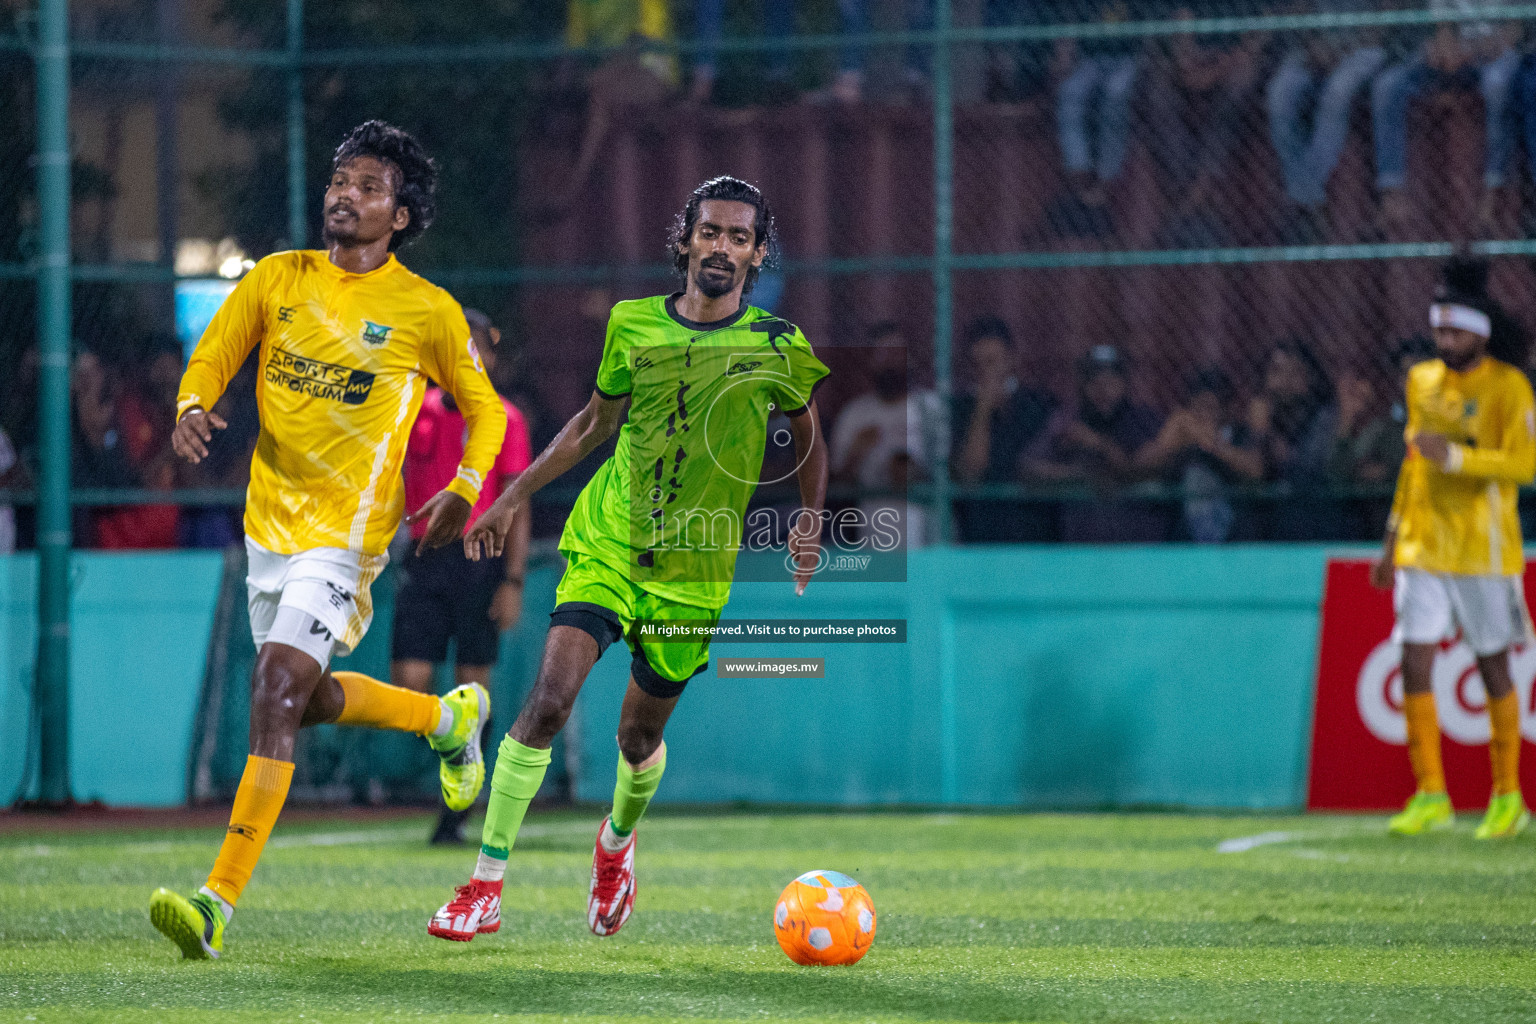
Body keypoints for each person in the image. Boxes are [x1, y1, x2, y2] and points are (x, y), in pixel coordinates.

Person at [427, 176, 828, 943]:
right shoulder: (631, 324)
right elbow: (590, 425)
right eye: (710, 231)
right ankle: (483, 885)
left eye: (739, 237)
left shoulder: (777, 344)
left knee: (636, 740)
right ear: (684, 239)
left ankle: (614, 846)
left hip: (694, 569)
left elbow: (807, 434)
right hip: (611, 538)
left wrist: (809, 521)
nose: (722, 246)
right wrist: (512, 497)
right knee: (547, 702)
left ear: (757, 254)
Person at [149, 121, 508, 960]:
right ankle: (448, 721)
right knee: (300, 702)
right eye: (341, 180)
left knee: (273, 689)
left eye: (369, 186)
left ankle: (215, 904)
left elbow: (485, 409)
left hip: (343, 540)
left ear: (403, 216)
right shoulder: (278, 278)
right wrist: (189, 409)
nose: (345, 194)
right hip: (267, 528)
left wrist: (463, 487)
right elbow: (213, 356)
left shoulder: (423, 310)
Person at [1370, 255, 1532, 840]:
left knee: (1492, 667)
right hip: (1423, 545)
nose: (1444, 340)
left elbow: (1526, 463)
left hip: (1482, 551)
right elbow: (1413, 466)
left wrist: (1459, 458)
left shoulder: (1508, 388)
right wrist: (1391, 539)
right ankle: (1431, 792)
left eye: (1455, 331)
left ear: (1480, 333)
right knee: (1414, 658)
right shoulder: (1421, 382)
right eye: (1439, 330)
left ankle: (1508, 797)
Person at [392, 309, 533, 845]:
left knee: (474, 688)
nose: (473, 358)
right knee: (411, 682)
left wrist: (512, 580)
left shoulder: (505, 418)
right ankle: (455, 752)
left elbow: (517, 502)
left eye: (482, 348)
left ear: (491, 359)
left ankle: (456, 813)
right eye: (461, 348)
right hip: (425, 558)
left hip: (480, 561)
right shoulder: (416, 410)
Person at [1372, 2, 1523, 231]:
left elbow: (1516, 27)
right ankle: (1393, 193)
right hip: (1458, 53)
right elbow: (1442, 27)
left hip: (1498, 53)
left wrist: (1492, 44)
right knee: (1387, 86)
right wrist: (1446, 49)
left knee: (1496, 86)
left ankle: (1490, 195)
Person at [1265, 2, 1386, 240]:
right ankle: (1310, 200)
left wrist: (1345, 49)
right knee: (1279, 95)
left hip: (1365, 47)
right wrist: (1314, 47)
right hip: (1315, 48)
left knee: (1336, 94)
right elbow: (1299, 13)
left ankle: (1303, 200)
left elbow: (1387, 18)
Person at [1031, 344, 1167, 542]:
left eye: (1111, 380)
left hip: (1137, 550)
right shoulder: (1069, 420)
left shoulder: (1142, 420)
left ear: (1124, 383)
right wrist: (1079, 475)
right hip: (1081, 549)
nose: (1103, 389)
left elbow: (1137, 468)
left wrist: (1099, 444)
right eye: (1094, 381)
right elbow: (1028, 469)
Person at [951, 317, 1056, 542]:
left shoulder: (1038, 405)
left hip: (1031, 533)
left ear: (1011, 360)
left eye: (992, 362)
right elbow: (971, 472)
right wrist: (982, 410)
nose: (985, 372)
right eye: (977, 365)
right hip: (978, 533)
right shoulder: (960, 409)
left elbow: (1037, 470)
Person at [1136, 368, 1264, 543]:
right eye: (1197, 408)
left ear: (1226, 410)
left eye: (1210, 408)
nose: (1203, 415)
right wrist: (1168, 441)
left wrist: (1213, 445)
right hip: (1185, 543)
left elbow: (1255, 471)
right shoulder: (1180, 441)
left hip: (1233, 542)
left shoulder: (1237, 435)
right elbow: (1139, 467)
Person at [829, 323, 919, 547]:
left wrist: (914, 473)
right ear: (869, 360)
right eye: (882, 354)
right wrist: (855, 456)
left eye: (896, 353)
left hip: (926, 537)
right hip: (874, 537)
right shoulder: (854, 414)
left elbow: (956, 473)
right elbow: (834, 486)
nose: (890, 361)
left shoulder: (930, 407)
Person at [1248, 339, 1345, 540]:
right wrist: (1257, 433)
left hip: (1312, 512)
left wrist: (1265, 433)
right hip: (1266, 513)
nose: (1285, 381)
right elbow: (1253, 469)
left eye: (1294, 373)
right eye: (1277, 372)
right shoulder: (1259, 411)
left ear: (1310, 378)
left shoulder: (1324, 415)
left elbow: (1307, 467)